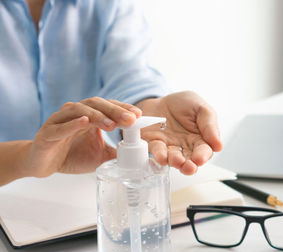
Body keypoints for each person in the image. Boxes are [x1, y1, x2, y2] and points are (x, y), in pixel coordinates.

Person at [0, 0, 223, 186]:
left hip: (78, 210)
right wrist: (25, 158)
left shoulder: (109, 4)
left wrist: (145, 109)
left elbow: (128, 73)